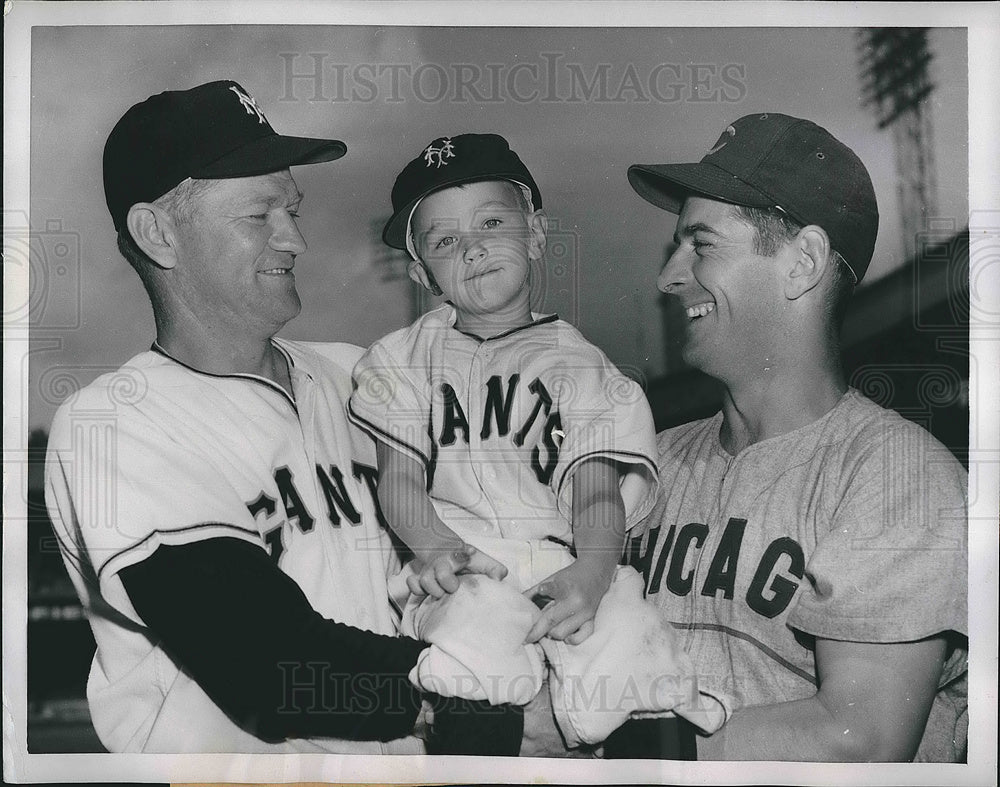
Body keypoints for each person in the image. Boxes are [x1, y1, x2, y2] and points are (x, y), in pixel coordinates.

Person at [43, 80, 530, 755]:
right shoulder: (118, 422)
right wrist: (488, 708)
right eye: (258, 215)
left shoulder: (362, 376)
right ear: (158, 234)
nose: (295, 238)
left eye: (293, 209)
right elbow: (267, 663)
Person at [347, 133, 727, 753]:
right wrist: (437, 548)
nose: (473, 248)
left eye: (492, 223)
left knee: (631, 635)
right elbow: (400, 481)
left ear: (537, 233)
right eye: (444, 241)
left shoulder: (583, 366)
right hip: (461, 564)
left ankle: (643, 746)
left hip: (562, 561)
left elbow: (596, 494)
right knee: (471, 645)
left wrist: (596, 571)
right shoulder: (402, 359)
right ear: (422, 272)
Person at [624, 112, 968, 761]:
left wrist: (608, 745)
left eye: (701, 245)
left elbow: (859, 741)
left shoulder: (898, 475)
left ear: (802, 262)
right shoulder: (650, 461)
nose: (668, 275)